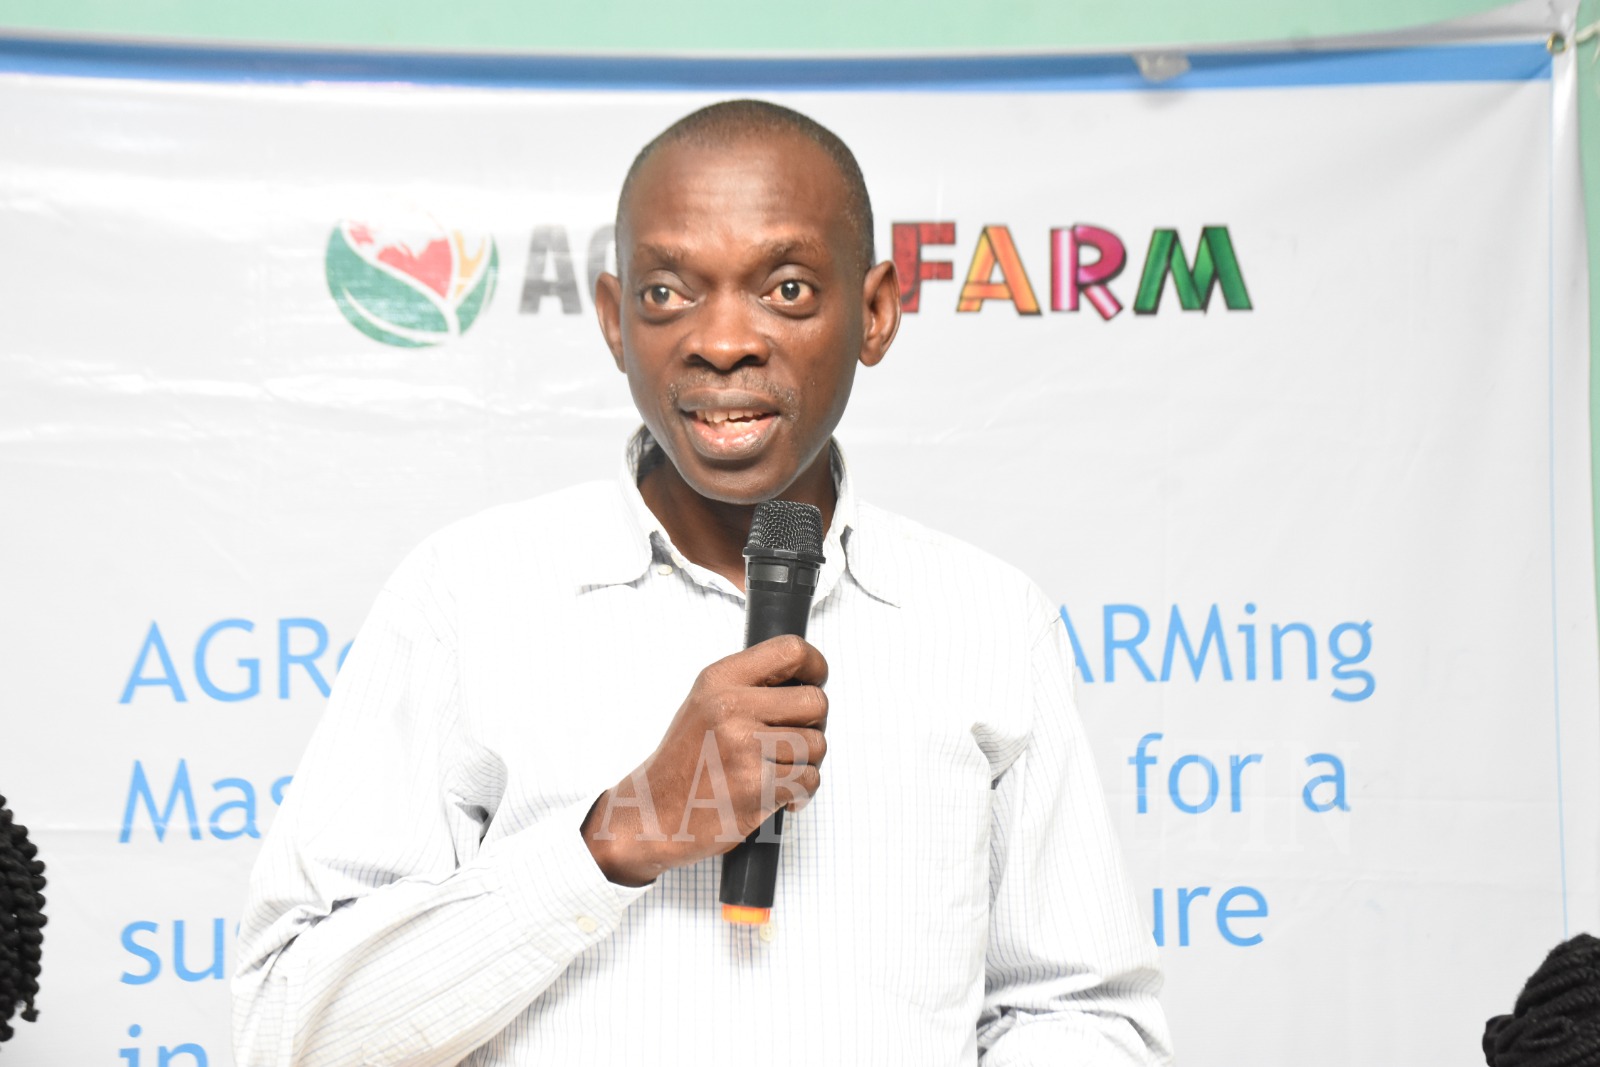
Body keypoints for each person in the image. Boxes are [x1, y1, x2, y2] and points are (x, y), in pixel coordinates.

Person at [233, 99, 1172, 1066]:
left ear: (876, 311)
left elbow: (1084, 1017)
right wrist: (618, 835)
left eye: (789, 289)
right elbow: (288, 1034)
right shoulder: (467, 598)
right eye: (668, 293)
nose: (723, 341)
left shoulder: (989, 619)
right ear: (613, 320)